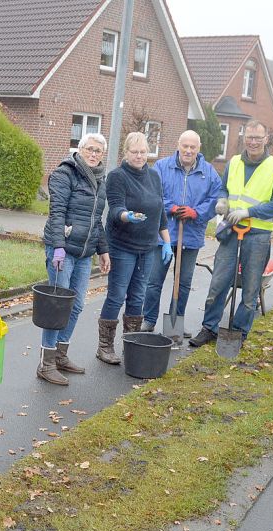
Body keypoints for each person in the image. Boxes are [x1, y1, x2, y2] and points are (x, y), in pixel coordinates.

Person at [189, 120, 273, 348]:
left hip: (258, 235)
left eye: (258, 138)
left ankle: (239, 334)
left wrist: (248, 212)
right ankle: (209, 328)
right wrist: (222, 200)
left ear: (266, 139)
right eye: (249, 137)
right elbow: (224, 188)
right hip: (231, 232)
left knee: (251, 289)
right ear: (244, 138)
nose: (253, 142)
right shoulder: (233, 162)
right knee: (219, 283)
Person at [38, 132, 112, 385]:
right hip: (63, 250)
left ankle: (60, 355)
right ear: (79, 150)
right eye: (89, 149)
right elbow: (56, 213)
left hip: (84, 253)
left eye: (98, 151)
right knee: (56, 307)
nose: (93, 154)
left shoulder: (101, 180)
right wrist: (57, 247)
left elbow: (97, 221)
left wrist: (103, 250)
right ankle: (45, 363)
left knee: (77, 304)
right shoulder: (64, 174)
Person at [95, 132, 172, 364]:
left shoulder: (154, 176)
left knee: (138, 296)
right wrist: (128, 216)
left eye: (143, 152)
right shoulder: (117, 176)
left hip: (148, 248)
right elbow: (116, 209)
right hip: (123, 246)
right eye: (134, 152)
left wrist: (166, 241)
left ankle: (131, 343)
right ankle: (105, 346)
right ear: (126, 153)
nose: (139, 156)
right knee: (117, 295)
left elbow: (160, 213)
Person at [142, 130, 223, 335]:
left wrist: (196, 212)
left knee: (184, 282)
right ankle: (149, 320)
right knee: (154, 281)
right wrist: (171, 207)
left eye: (192, 147)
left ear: (198, 148)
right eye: (185, 146)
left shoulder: (209, 172)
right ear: (178, 145)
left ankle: (175, 322)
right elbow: (154, 193)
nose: (188, 150)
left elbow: (215, 199)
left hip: (191, 236)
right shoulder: (162, 167)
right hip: (164, 234)